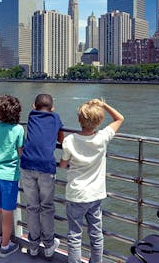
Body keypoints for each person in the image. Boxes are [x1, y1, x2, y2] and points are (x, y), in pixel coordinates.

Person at [59, 99, 124, 263]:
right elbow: (120, 119)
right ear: (99, 121)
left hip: (75, 194)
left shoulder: (70, 140)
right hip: (95, 195)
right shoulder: (103, 137)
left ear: (79, 119)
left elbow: (63, 164)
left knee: (74, 235)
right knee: (96, 234)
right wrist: (104, 105)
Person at [20, 93, 65, 258]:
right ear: (52, 108)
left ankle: (33, 245)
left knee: (32, 207)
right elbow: (61, 136)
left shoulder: (31, 115)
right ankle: (48, 245)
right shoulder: (55, 117)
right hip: (46, 166)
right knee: (46, 207)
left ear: (34, 106)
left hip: (27, 164)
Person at [0, 95, 24, 258]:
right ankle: (5, 245)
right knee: (7, 213)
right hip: (9, 175)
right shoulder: (18, 129)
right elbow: (20, 151)